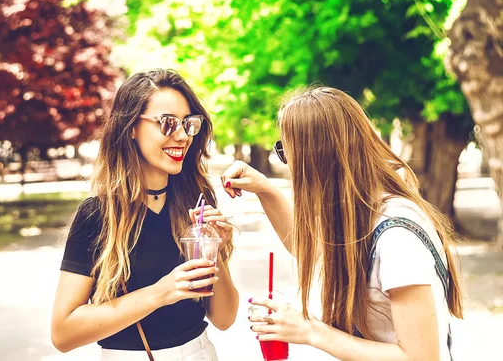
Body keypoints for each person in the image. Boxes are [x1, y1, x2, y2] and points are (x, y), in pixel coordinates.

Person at [222, 86, 463, 360]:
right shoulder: (361, 215)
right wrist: (265, 190)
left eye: (287, 154)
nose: (290, 167)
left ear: (318, 160)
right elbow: (308, 247)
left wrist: (311, 331)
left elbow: (421, 357)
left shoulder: (397, 237)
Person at [51, 69, 239, 361]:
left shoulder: (194, 204)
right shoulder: (99, 214)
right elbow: (63, 333)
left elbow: (224, 318)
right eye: (167, 123)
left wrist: (217, 253)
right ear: (131, 128)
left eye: (189, 124)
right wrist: (160, 293)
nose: (181, 136)